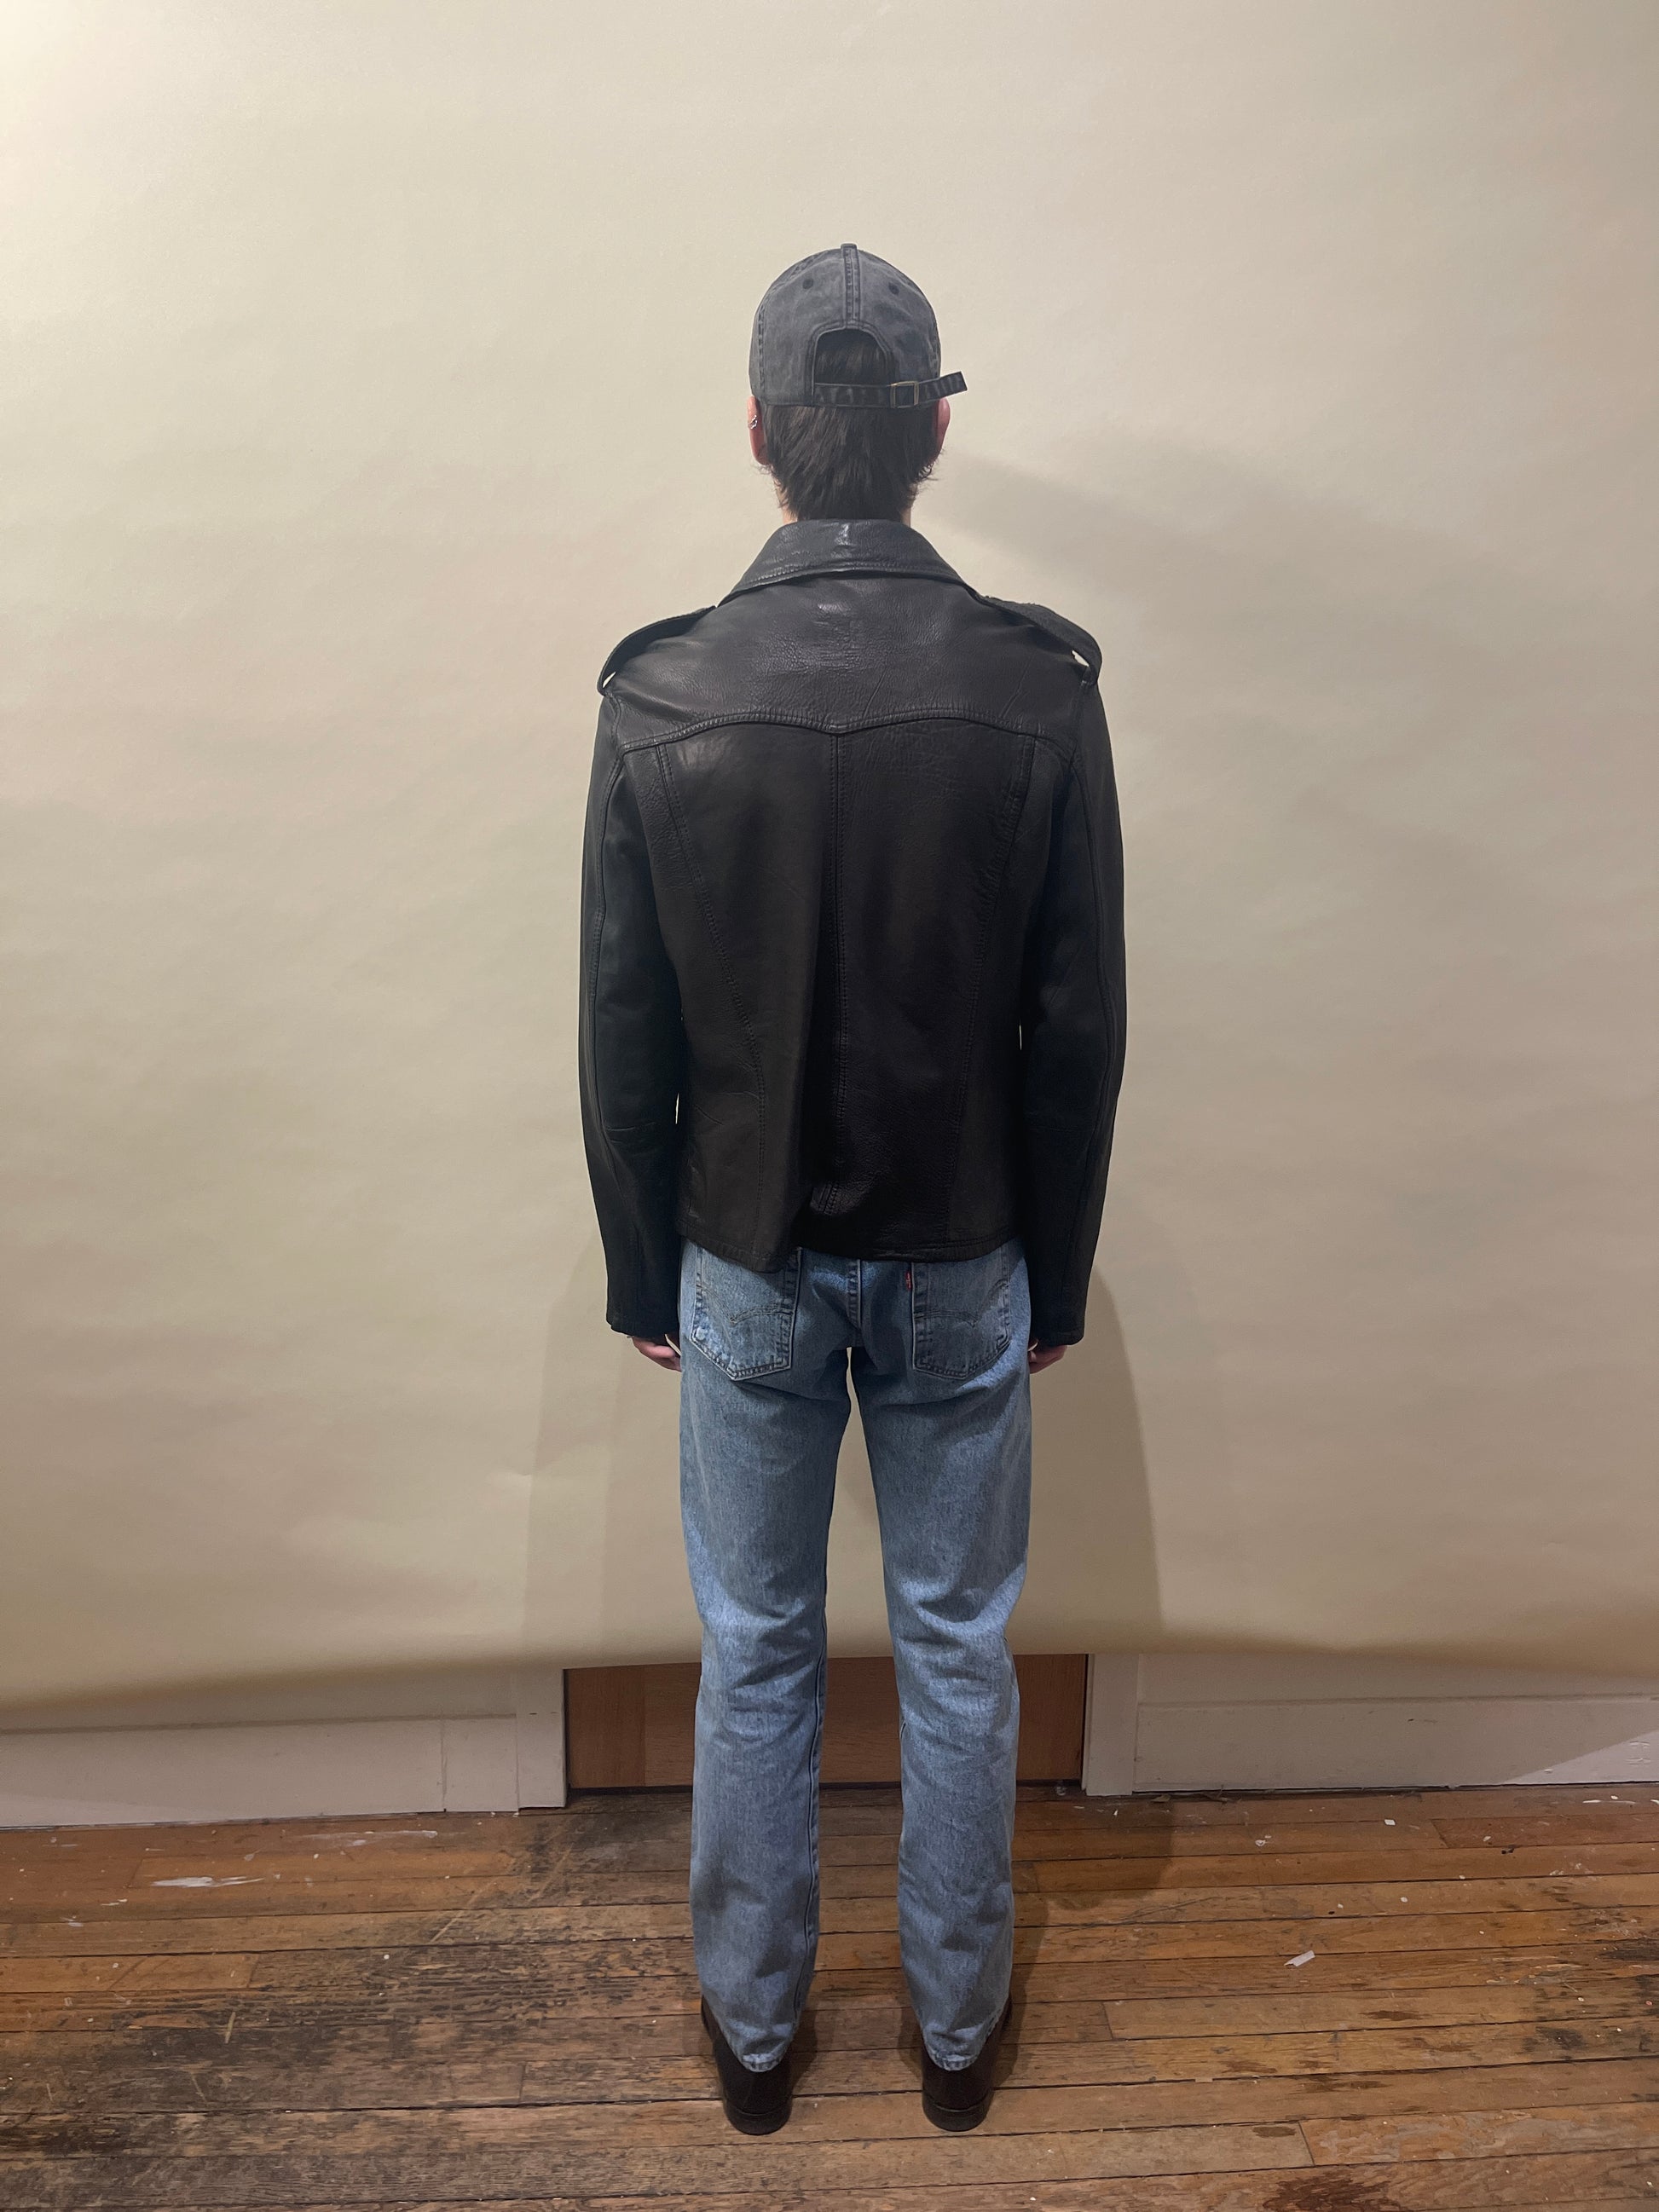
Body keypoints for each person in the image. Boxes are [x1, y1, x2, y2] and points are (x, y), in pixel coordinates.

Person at [577, 243, 1126, 2135]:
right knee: (959, 1646)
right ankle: (956, 2041)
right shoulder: (1036, 686)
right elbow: (1078, 1021)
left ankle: (755, 2041)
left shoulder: (661, 689)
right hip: (964, 1246)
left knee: (754, 1648)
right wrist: (1056, 1272)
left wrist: (640, 1264)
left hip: (740, 1255)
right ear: (930, 436)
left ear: (759, 431)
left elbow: (623, 1012)